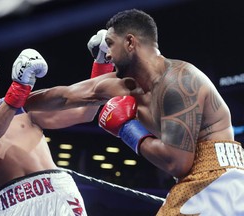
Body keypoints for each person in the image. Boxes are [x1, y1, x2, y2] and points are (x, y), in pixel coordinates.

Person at [0, 47, 141, 215]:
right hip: (12, 205)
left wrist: (102, 64)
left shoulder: (23, 111)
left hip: (57, 192)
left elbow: (84, 112)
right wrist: (18, 90)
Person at [95, 9, 244, 215]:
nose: (110, 54)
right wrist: (100, 61)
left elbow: (177, 163)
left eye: (111, 45)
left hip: (216, 176)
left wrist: (127, 128)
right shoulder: (135, 89)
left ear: (130, 43)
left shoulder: (177, 80)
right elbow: (80, 95)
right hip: (212, 179)